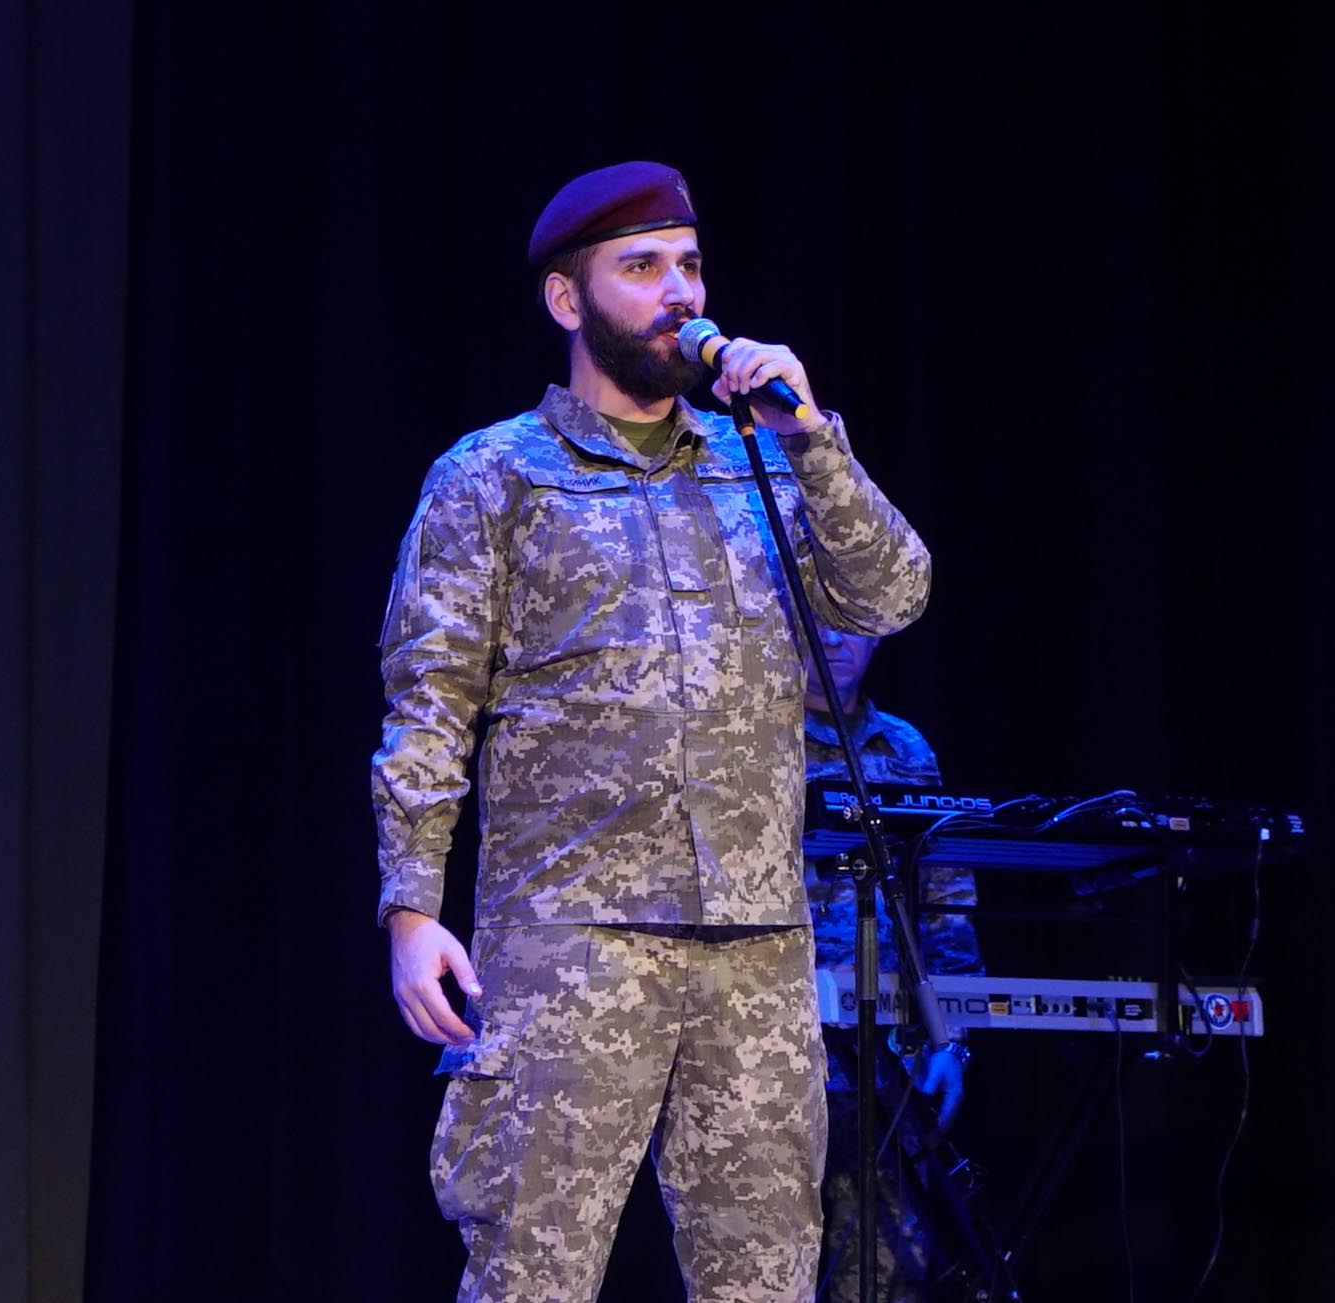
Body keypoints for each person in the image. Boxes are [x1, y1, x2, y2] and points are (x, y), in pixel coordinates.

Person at [371, 161, 932, 1303]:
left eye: (689, 265)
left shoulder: (760, 463)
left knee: (765, 1279)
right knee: (532, 1276)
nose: (679, 292)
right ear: (567, 298)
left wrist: (812, 438)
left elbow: (892, 594)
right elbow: (429, 703)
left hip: (756, 942)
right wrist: (412, 908)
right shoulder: (491, 477)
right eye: (642, 267)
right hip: (572, 942)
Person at [802, 628, 982, 1302]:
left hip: (888, 1061)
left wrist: (950, 1039)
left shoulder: (905, 748)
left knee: (886, 1265)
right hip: (775, 1046)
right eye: (818, 619)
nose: (833, 639)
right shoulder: (755, 732)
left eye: (850, 623)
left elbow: (946, 901)